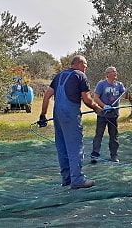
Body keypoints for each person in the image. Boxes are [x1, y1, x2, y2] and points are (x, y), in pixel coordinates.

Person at [39, 55, 102, 189]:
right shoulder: (80, 76)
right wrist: (96, 108)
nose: (85, 69)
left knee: (62, 147)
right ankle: (77, 180)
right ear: (79, 64)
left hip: (57, 115)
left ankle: (66, 179)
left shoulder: (59, 76)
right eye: (85, 66)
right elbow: (86, 99)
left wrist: (43, 115)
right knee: (75, 147)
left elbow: (47, 96)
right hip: (70, 115)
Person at [90, 66, 126, 163]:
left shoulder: (119, 85)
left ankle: (114, 156)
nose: (115, 73)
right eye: (113, 71)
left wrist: (125, 92)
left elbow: (125, 96)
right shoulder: (101, 84)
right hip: (102, 114)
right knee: (99, 135)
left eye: (115, 71)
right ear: (107, 74)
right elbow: (96, 97)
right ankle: (95, 155)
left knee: (114, 136)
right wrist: (104, 106)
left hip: (114, 115)